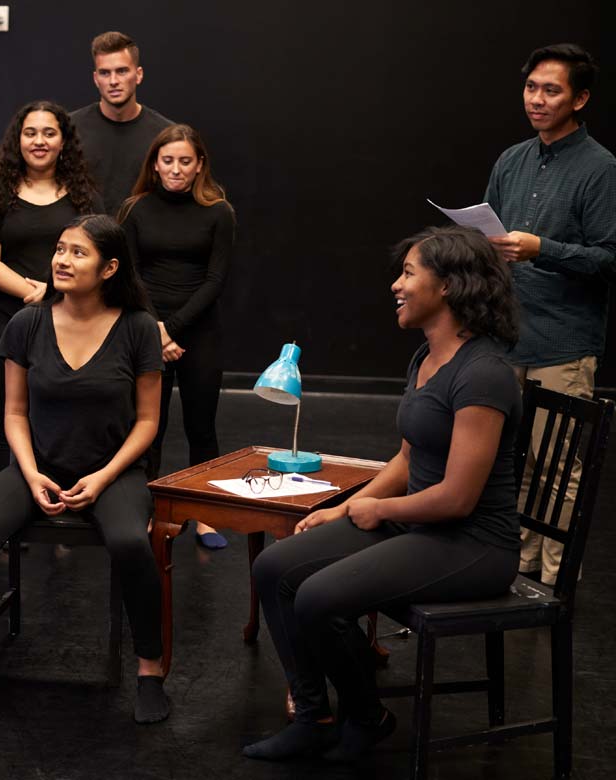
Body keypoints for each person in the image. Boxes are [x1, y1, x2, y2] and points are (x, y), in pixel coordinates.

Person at [243, 226, 522, 763]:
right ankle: (314, 716)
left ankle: (367, 718)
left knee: (320, 597)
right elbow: (407, 460)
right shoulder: (425, 359)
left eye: (409, 273)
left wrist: (377, 509)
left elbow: (458, 498)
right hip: (420, 523)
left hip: (472, 544)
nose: (396, 284)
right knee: (274, 568)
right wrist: (344, 508)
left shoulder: (483, 376)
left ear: (449, 286)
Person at [0, 214, 170, 730]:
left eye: (78, 252)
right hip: (38, 465)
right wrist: (30, 474)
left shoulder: (138, 328)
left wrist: (103, 478)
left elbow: (148, 422)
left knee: (129, 542)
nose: (62, 259)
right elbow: (12, 412)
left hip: (114, 471)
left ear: (109, 267)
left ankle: (150, 672)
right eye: (60, 249)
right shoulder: (27, 323)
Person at [483, 43, 616, 586]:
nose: (537, 100)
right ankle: (516, 565)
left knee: (557, 464)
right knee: (511, 461)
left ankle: (556, 581)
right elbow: (487, 233)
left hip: (563, 340)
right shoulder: (512, 159)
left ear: (579, 99)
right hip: (509, 331)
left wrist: (544, 248)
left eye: (551, 90)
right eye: (531, 87)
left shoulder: (600, 168)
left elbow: (609, 258)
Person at [0, 100, 103, 476]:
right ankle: (6, 524)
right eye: (31, 133)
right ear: (18, 140)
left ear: (64, 142)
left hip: (74, 324)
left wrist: (56, 294)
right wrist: (42, 293)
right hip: (8, 322)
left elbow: (97, 255)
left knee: (65, 420)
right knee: (10, 417)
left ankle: (64, 508)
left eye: (49, 133)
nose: (39, 141)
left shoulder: (85, 198)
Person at [120, 124, 235, 548]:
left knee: (201, 425)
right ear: (155, 163)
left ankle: (204, 514)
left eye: (185, 161)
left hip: (198, 329)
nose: (176, 168)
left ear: (199, 164)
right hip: (145, 328)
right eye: (167, 160)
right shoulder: (135, 209)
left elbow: (215, 279)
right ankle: (150, 511)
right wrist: (156, 329)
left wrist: (173, 328)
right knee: (150, 426)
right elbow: (129, 276)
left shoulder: (218, 212)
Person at [70, 31, 172, 215]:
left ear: (138, 75)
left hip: (144, 241)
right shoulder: (69, 128)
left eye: (122, 71)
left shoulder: (164, 134)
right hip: (83, 238)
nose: (113, 81)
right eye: (105, 73)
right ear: (95, 79)